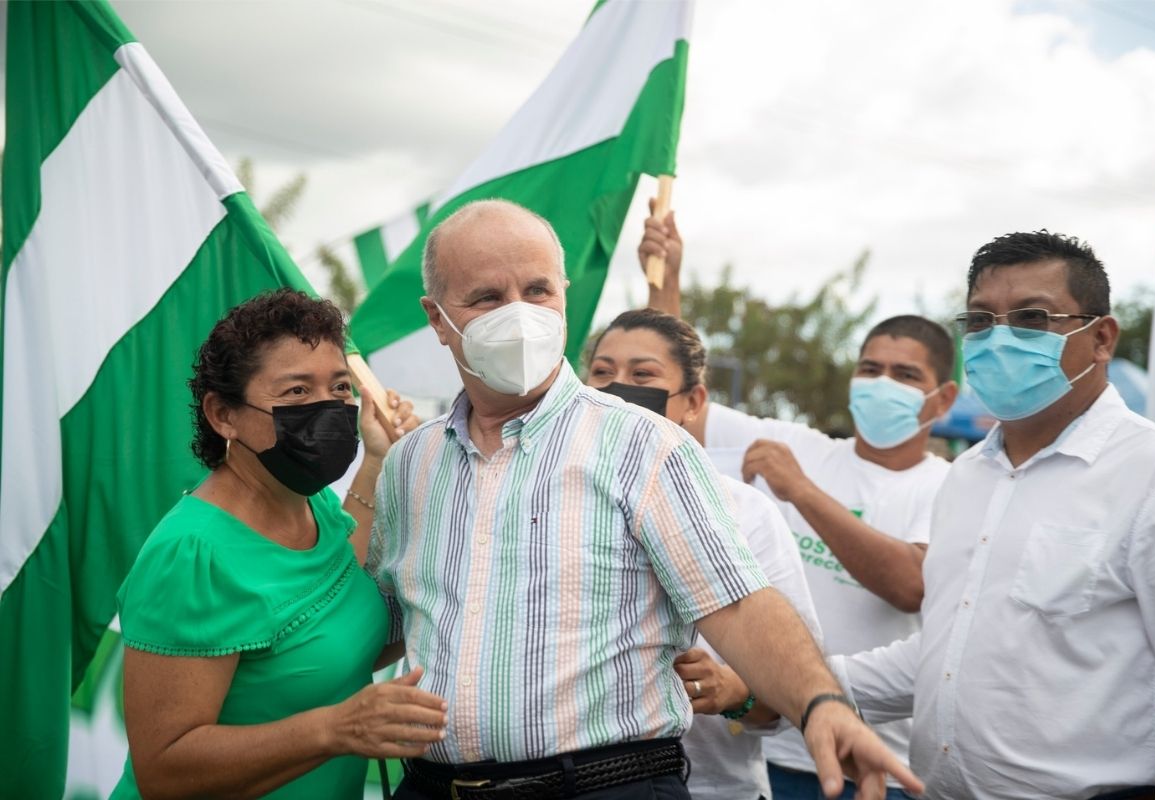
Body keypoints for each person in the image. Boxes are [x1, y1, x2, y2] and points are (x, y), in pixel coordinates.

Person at [366, 199, 923, 800]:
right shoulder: (410, 465)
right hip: (432, 787)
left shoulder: (644, 445)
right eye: (487, 298)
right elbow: (382, 624)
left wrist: (820, 704)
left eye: (537, 290)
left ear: (564, 295)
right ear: (436, 317)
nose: (520, 315)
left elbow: (734, 604)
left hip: (604, 787)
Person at [833, 230, 1155, 799]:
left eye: (1033, 318)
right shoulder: (966, 477)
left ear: (1101, 338)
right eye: (980, 321)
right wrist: (797, 685)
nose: (1000, 339)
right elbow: (946, 650)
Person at [639, 203, 955, 800]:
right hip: (771, 737)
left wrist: (803, 493)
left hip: (873, 760)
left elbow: (909, 585)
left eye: (905, 375)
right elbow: (667, 395)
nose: (882, 383)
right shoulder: (802, 445)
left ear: (942, 400)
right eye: (870, 368)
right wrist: (667, 277)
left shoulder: (947, 485)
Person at [111, 289, 447, 799]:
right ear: (223, 414)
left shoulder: (308, 502)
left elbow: (332, 601)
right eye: (295, 392)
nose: (327, 407)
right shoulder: (192, 555)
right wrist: (335, 729)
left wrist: (376, 461)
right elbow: (164, 769)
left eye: (339, 387)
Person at [587, 306, 823, 800]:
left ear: (692, 401)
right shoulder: (552, 502)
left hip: (719, 789)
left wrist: (736, 693)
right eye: (602, 373)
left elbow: (793, 693)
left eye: (642, 375)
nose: (616, 389)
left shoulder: (746, 514)